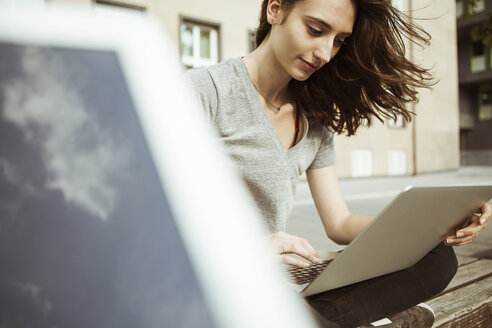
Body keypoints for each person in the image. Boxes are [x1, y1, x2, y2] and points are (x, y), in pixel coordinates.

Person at [185, 0, 492, 327]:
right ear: (275, 9)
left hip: (285, 281)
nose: (324, 53)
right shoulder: (205, 91)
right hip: (216, 275)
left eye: (339, 41)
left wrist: (432, 227)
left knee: (437, 256)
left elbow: (340, 224)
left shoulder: (314, 118)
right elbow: (146, 217)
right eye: (315, 30)